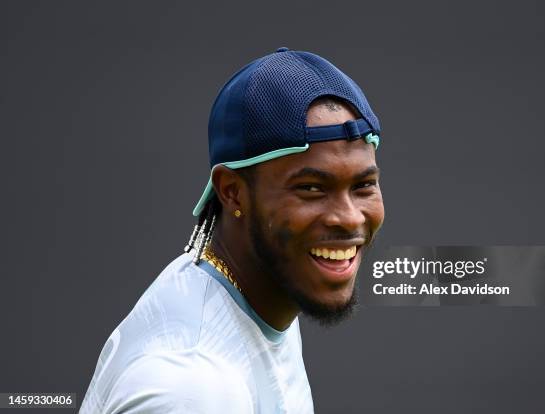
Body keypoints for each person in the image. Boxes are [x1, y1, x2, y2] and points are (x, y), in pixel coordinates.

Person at [81, 47, 385, 413]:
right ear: (231, 192)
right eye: (311, 188)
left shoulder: (260, 294)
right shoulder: (195, 387)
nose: (349, 218)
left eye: (363, 186)